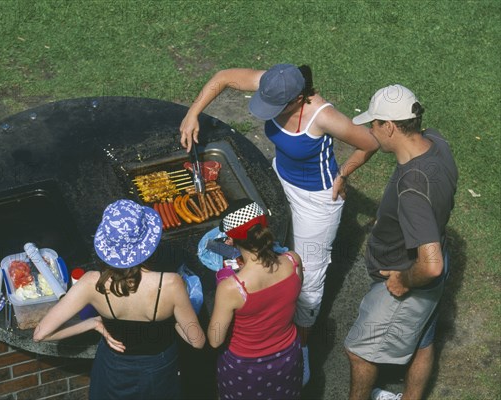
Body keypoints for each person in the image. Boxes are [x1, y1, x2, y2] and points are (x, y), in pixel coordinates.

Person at [180, 63, 379, 384]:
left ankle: (300, 346)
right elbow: (223, 78)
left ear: (298, 98)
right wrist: (193, 113)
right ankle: (273, 305)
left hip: (317, 201)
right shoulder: (274, 83)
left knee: (311, 273)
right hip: (280, 179)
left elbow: (370, 142)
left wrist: (343, 173)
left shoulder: (323, 115)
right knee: (272, 245)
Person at [344, 85, 458, 400]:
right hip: (437, 251)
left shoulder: (413, 188)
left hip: (408, 272)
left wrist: (403, 280)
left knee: (359, 352)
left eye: (374, 123)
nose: (371, 129)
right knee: (423, 340)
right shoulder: (437, 142)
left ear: (390, 127)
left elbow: (430, 266)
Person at [33, 199, 206, 399]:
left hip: (114, 369)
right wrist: (173, 319)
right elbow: (197, 341)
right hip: (158, 370)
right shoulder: (171, 283)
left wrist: (93, 323)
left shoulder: (90, 282)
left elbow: (40, 334)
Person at [207, 199, 304, 399]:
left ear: (231, 240)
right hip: (288, 357)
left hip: (246, 368)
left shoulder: (232, 288)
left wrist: (225, 285)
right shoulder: (293, 260)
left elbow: (215, 340)